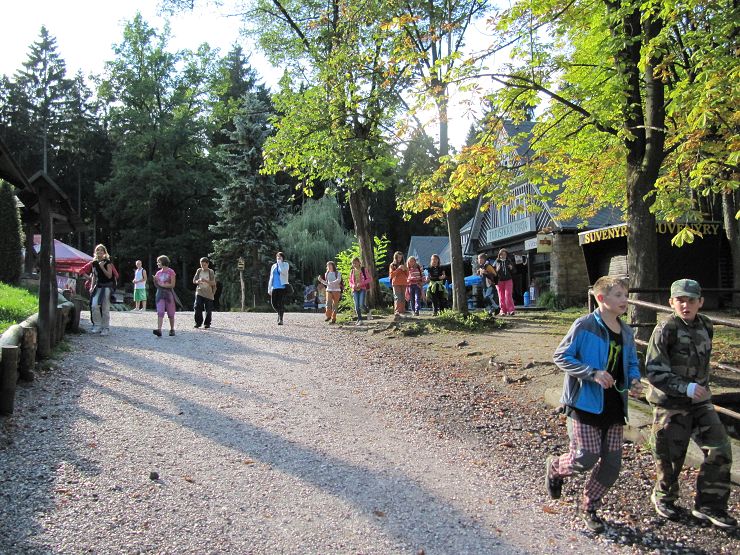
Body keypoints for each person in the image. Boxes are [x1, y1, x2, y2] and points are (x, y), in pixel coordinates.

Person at [545, 276, 642, 533]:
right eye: (618, 295)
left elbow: (632, 363)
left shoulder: (627, 331)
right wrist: (592, 373)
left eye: (625, 295)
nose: (624, 300)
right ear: (601, 298)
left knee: (612, 465)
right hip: (584, 404)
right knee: (585, 457)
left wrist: (634, 381)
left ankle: (589, 507)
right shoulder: (584, 325)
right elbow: (561, 356)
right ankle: (555, 467)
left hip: (614, 406)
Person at [645, 279, 736, 528]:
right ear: (671, 302)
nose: (686, 305)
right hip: (670, 402)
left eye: (691, 300)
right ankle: (664, 496)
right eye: (680, 300)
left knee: (719, 448)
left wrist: (699, 389)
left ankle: (710, 505)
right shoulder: (665, 329)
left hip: (699, 402)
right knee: (670, 456)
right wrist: (684, 387)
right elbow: (654, 371)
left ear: (700, 302)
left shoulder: (705, 325)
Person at [82, 244, 115, 336]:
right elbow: (94, 276)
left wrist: (102, 267)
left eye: (101, 250)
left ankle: (105, 328)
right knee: (94, 305)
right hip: (98, 287)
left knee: (105, 308)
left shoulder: (108, 263)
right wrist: (91, 287)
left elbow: (109, 276)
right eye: (98, 250)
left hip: (107, 287)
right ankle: (97, 325)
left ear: (104, 252)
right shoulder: (94, 263)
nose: (99, 252)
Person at [153, 255, 176, 337]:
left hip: (169, 294)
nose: (157, 263)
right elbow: (157, 285)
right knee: (160, 311)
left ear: (163, 262)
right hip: (159, 294)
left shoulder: (171, 272)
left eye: (158, 262)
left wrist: (162, 284)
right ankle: (159, 330)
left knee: (171, 312)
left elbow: (172, 285)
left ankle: (172, 329)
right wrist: (155, 281)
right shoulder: (158, 273)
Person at [193, 257, 216, 329]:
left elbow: (213, 283)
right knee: (197, 307)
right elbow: (194, 281)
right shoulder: (199, 270)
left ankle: (207, 323)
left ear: (208, 264)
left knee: (208, 309)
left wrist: (205, 280)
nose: (203, 266)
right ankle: (198, 323)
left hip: (208, 293)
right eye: (201, 265)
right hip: (199, 292)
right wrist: (198, 281)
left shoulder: (210, 272)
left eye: (204, 265)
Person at [268, 252, 289, 325]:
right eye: (277, 257)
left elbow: (283, 272)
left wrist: (280, 264)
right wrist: (269, 288)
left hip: (282, 288)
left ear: (283, 258)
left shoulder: (285, 264)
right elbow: (271, 277)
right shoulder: (273, 266)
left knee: (280, 304)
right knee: (274, 304)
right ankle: (280, 313)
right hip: (274, 287)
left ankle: (281, 319)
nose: (278, 258)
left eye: (280, 257)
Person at [349, 257, 372, 325]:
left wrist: (361, 283)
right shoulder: (352, 271)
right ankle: (360, 320)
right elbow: (350, 281)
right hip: (355, 290)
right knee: (356, 305)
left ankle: (368, 311)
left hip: (362, 289)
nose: (354, 264)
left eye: (355, 263)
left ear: (359, 263)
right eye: (353, 263)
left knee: (361, 304)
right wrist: (353, 285)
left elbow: (369, 279)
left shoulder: (364, 270)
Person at [492, 248, 516, 315]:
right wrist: (496, 270)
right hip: (499, 281)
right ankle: (503, 311)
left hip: (508, 280)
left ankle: (511, 310)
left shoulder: (509, 261)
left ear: (506, 255)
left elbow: (514, 271)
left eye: (504, 254)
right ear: (499, 255)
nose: (503, 256)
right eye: (501, 254)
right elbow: (492, 272)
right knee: (501, 296)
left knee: (508, 295)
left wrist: (512, 268)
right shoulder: (496, 262)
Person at [389, 251, 408, 317]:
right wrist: (398, 269)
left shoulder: (404, 264)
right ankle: (397, 311)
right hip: (396, 283)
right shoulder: (392, 265)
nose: (399, 259)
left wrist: (405, 269)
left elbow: (407, 275)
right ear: (395, 257)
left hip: (404, 283)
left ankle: (402, 311)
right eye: (398, 257)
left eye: (401, 257)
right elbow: (391, 275)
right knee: (397, 297)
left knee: (403, 297)